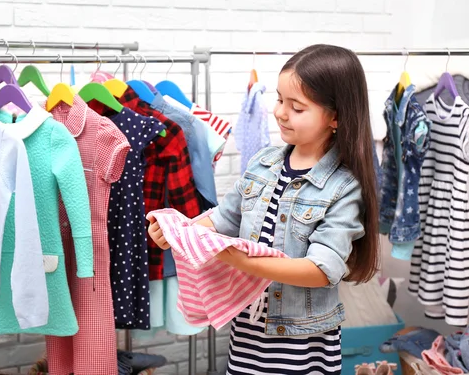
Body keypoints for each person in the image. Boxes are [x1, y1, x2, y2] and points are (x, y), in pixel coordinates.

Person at [148, 44, 380, 375]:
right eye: (280, 100)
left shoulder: (343, 187)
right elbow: (222, 219)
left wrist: (239, 260)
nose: (280, 112)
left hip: (303, 342)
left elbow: (320, 269)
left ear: (335, 117)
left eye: (297, 108)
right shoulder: (263, 163)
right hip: (248, 334)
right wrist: (180, 231)